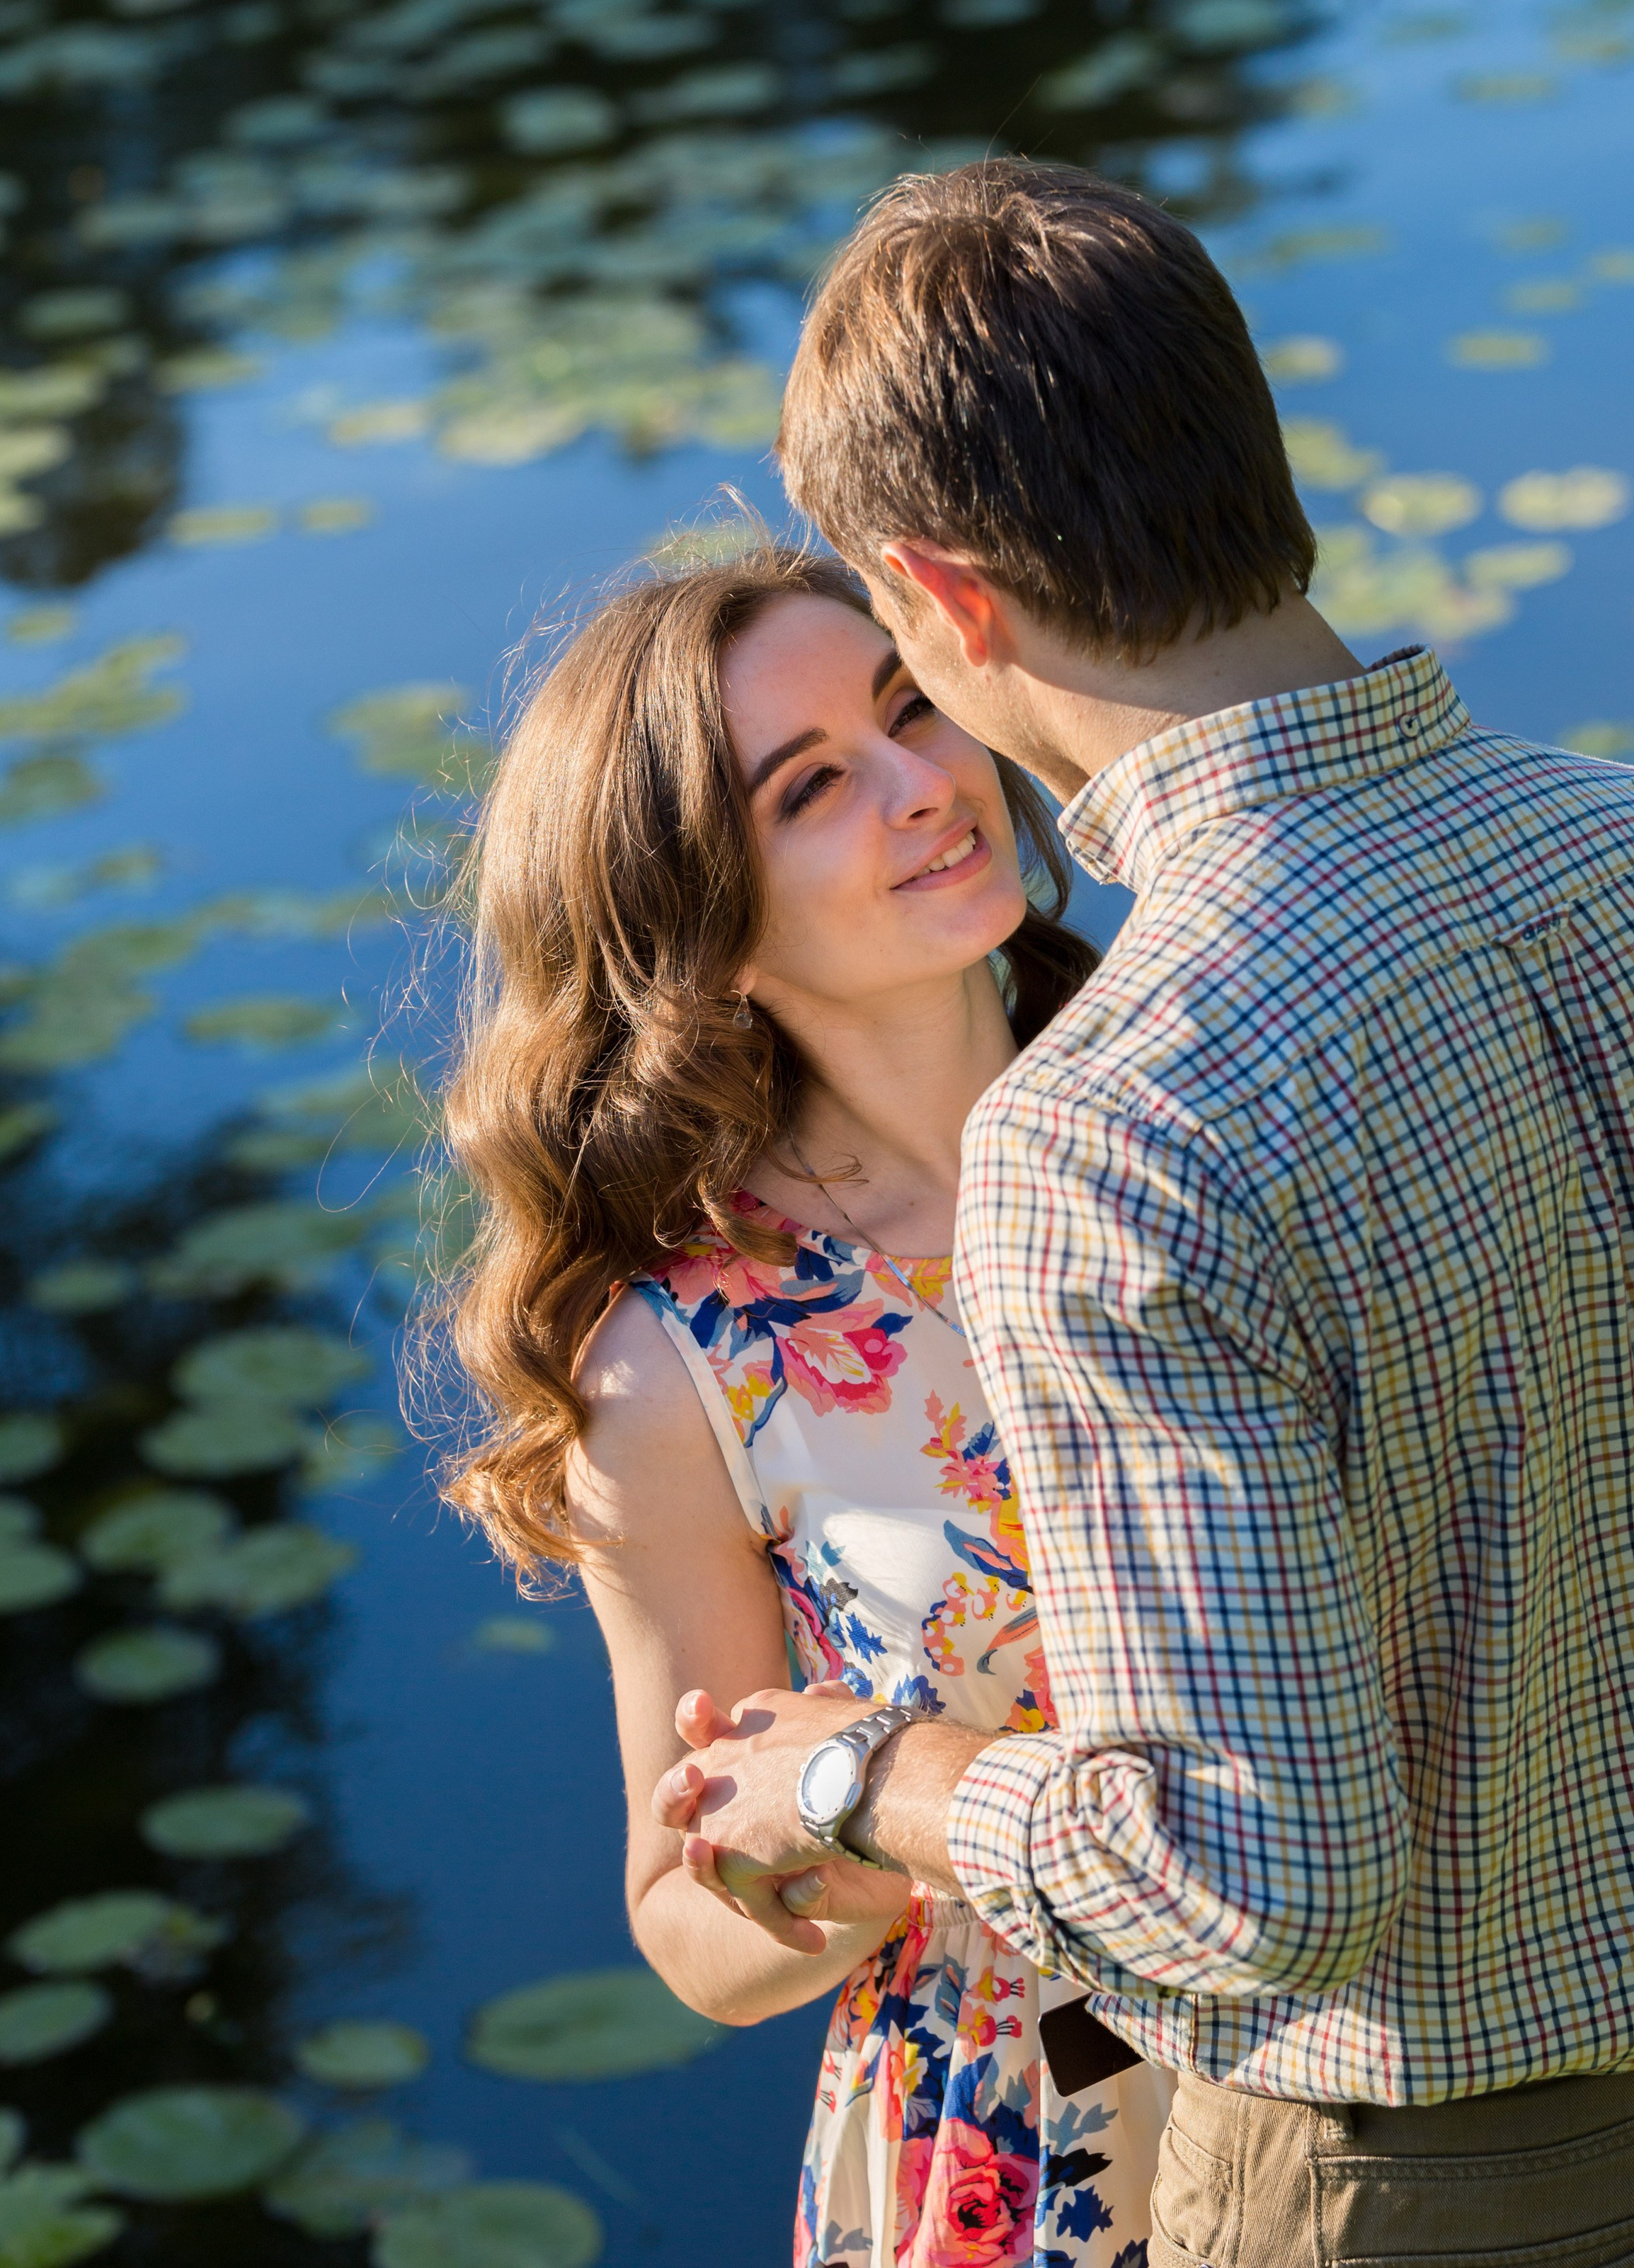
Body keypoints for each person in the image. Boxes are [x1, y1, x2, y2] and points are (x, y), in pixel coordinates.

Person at [656, 159, 1634, 2264]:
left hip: (1457, 2169)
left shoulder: (1111, 1124)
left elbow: (1245, 1884)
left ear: (947, 597)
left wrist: (864, 1780)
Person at [435, 542, 1177, 2268]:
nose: (922, 787)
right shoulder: (682, 1353)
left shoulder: (1194, 1099)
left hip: (1384, 2059)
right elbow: (687, 1930)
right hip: (1027, 2139)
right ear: (707, 927)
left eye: (910, 703)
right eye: (817, 784)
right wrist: (820, 1866)